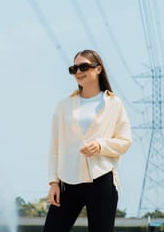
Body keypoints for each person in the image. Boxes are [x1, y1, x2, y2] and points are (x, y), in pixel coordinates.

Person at [43, 49, 132, 232]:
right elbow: (55, 147)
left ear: (98, 69)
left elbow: (125, 141)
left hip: (101, 180)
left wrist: (101, 145)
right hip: (68, 181)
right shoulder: (64, 105)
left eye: (83, 66)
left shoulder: (114, 104)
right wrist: (53, 182)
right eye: (73, 68)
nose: (78, 72)